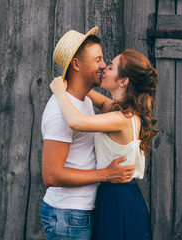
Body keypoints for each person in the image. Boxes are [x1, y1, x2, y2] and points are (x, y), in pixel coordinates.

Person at [50, 49, 158, 240]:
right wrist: (77, 79)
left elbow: (76, 122)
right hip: (121, 194)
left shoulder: (121, 118)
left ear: (123, 81)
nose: (104, 69)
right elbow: (100, 100)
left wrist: (59, 92)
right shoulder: (123, 111)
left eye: (110, 67)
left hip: (118, 198)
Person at [40, 27, 135, 240]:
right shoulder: (60, 112)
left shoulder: (81, 100)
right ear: (76, 64)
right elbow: (51, 175)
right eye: (98, 59)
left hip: (80, 212)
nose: (103, 64)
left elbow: (111, 105)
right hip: (68, 214)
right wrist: (107, 174)